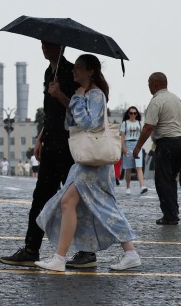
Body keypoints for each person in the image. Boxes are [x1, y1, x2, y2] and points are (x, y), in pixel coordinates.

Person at [34, 54, 141, 272]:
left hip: (93, 162)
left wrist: (75, 99)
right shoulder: (83, 94)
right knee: (81, 204)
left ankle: (60, 258)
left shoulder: (94, 94)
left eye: (79, 68)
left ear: (90, 71)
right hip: (87, 161)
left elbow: (89, 124)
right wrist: (67, 97)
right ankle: (128, 253)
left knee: (71, 203)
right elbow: (70, 123)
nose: (74, 71)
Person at [0, 41, 85, 267]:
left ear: (62, 46)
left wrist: (60, 95)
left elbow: (79, 111)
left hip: (69, 146)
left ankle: (87, 252)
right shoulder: (50, 71)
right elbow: (49, 112)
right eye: (42, 44)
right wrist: (40, 137)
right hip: (51, 144)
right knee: (40, 197)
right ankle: (31, 249)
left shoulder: (71, 72)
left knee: (75, 199)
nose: (44, 48)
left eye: (49, 44)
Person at [132, 72, 181, 226]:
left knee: (163, 180)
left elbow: (149, 126)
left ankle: (170, 216)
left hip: (167, 143)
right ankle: (173, 211)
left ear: (155, 84)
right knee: (171, 178)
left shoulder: (156, 101)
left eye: (149, 83)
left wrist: (137, 148)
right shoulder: (176, 99)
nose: (148, 86)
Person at [119, 106, 148, 195]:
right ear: (128, 114)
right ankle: (128, 187)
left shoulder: (140, 123)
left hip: (137, 145)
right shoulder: (125, 123)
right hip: (128, 144)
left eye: (135, 113)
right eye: (131, 113)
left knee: (139, 167)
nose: (133, 115)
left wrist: (140, 146)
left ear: (137, 114)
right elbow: (122, 137)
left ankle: (142, 186)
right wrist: (123, 147)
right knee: (129, 168)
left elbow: (142, 135)